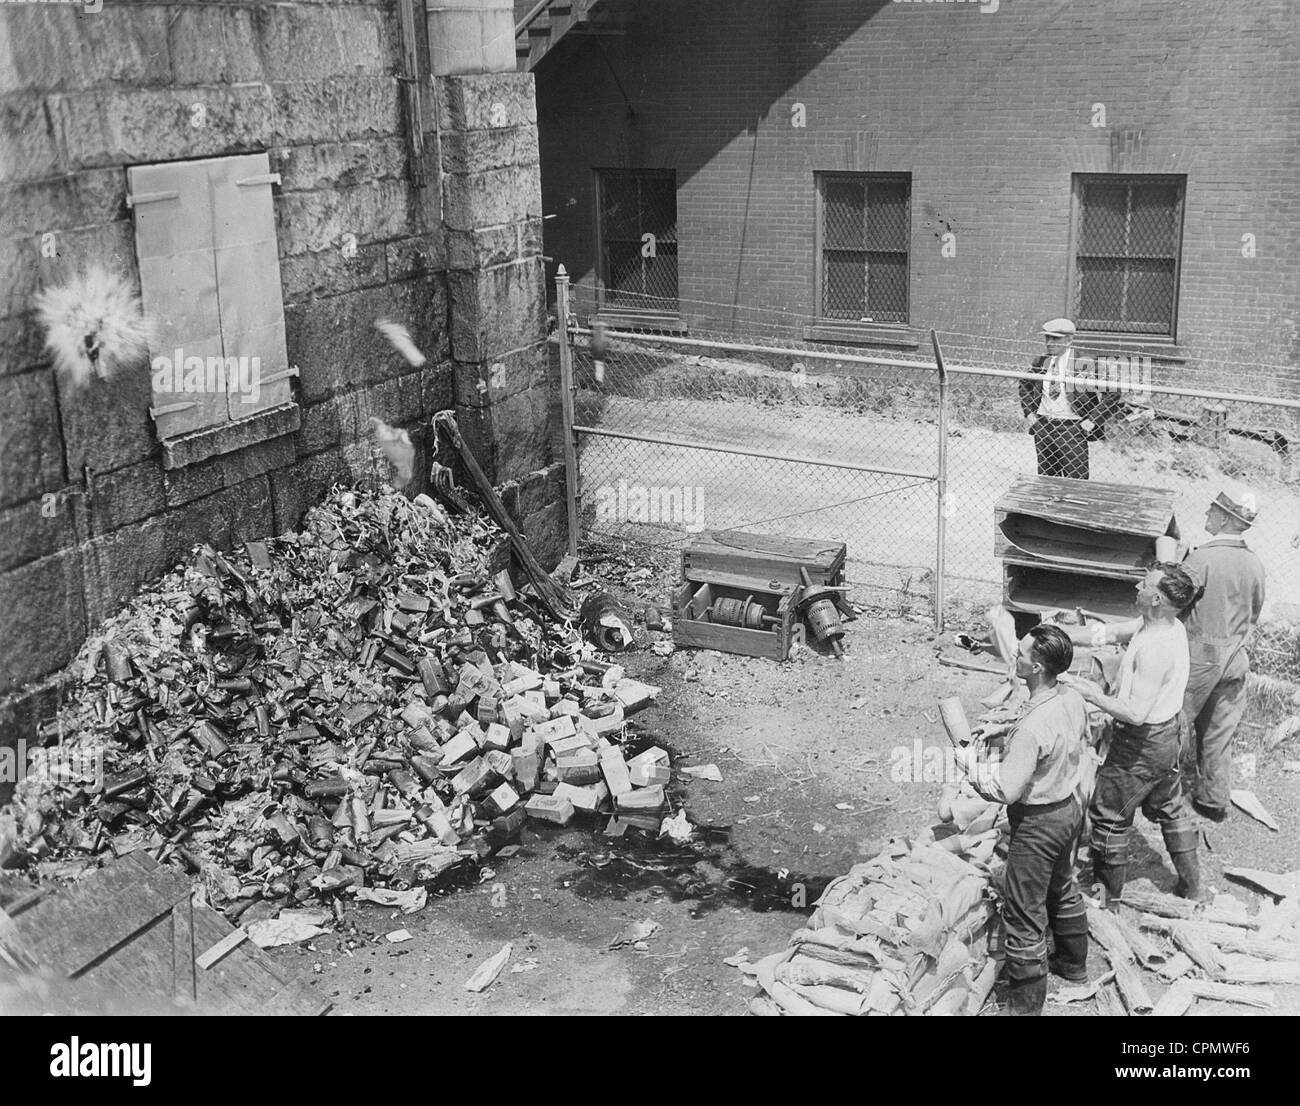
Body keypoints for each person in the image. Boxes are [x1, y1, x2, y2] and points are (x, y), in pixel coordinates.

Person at [955, 625, 1090, 1016]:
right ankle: (1073, 966)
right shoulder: (1070, 695)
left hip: (1037, 825)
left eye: (1023, 653)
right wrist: (1004, 728)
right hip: (1068, 809)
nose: (1015, 654)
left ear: (1038, 666)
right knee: (1062, 888)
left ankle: (1025, 1010)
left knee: (1023, 914)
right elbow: (1051, 731)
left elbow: (1007, 790)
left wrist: (971, 767)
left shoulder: (1031, 730)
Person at [1058, 563, 1205, 908]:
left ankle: (1106, 897)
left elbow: (1136, 713)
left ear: (1155, 599)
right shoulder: (1166, 625)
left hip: (1141, 744)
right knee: (1169, 806)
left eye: (1145, 584)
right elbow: (1110, 634)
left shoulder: (1155, 649)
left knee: (1109, 813)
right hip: (1169, 736)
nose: (1137, 585)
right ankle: (1194, 887)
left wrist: (1090, 693)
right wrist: (1063, 637)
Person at [1180, 490, 1266, 821]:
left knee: (1174, 724)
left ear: (1226, 519)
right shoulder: (1254, 563)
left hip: (1199, 656)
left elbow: (1175, 600)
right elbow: (1255, 611)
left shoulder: (1201, 559)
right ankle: (1213, 799)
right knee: (1219, 731)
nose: (1207, 512)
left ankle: (1161, 793)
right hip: (1236, 656)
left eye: (1213, 509)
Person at [1019, 318, 1109, 479]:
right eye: (1047, 338)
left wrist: (1093, 419)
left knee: (1075, 482)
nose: (1050, 342)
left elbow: (1113, 393)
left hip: (1072, 429)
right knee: (1047, 480)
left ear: (1069, 340)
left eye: (1056, 338)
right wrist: (1029, 412)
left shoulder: (1084, 363)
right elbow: (1024, 384)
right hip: (1044, 427)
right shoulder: (1041, 362)